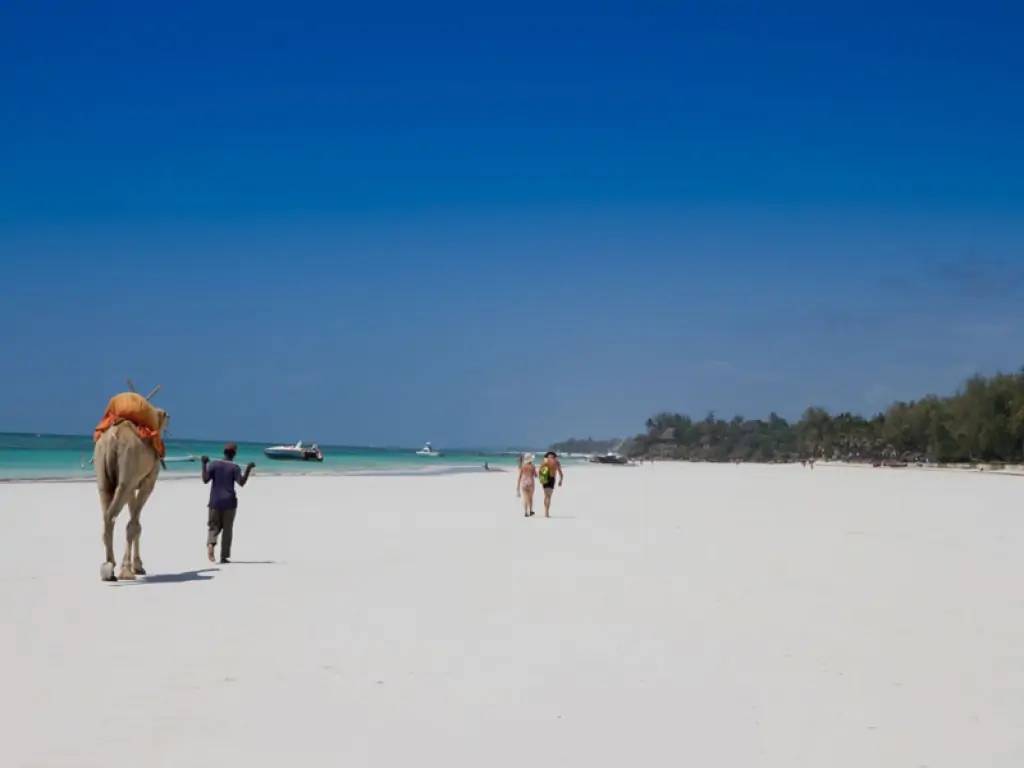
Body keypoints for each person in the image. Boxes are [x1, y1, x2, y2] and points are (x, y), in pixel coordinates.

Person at [201, 443, 254, 564]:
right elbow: (241, 482)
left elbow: (205, 480)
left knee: (213, 526)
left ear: (224, 452)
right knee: (227, 530)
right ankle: (224, 557)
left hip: (215, 502)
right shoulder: (235, 467)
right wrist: (248, 469)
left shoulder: (214, 464)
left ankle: (211, 544)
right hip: (230, 503)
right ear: (234, 454)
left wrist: (204, 464)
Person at [538, 451, 564, 518]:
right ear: (554, 456)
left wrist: (541, 479)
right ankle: (547, 512)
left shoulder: (544, 462)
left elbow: (540, 471)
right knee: (549, 496)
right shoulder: (556, 462)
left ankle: (546, 512)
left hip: (545, 478)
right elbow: (560, 472)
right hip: (552, 479)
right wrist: (560, 480)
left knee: (546, 495)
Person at [517, 452, 537, 517]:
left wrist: (517, 487)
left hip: (524, 483)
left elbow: (519, 476)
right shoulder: (533, 466)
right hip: (531, 482)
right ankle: (530, 511)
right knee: (530, 498)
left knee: (525, 498)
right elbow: (536, 475)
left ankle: (525, 512)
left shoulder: (523, 466)